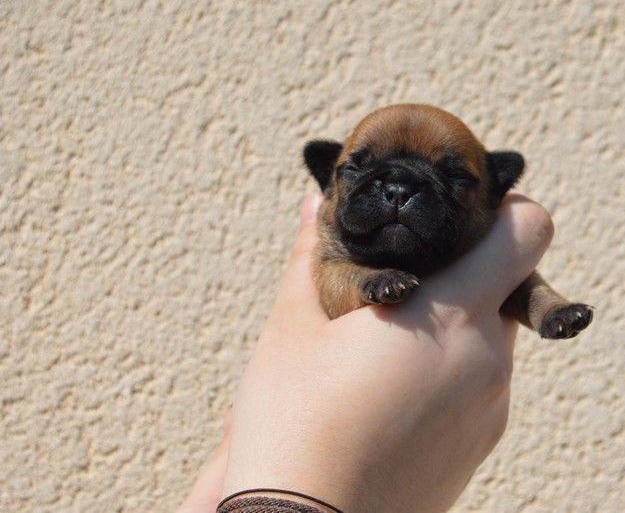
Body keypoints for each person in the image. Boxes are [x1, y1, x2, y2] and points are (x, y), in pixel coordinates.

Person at [178, 191, 554, 513]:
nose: (397, 194)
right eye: (361, 168)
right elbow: (335, 277)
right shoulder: (336, 257)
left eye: (453, 177)